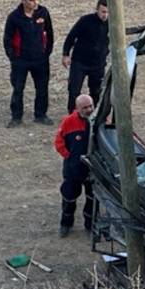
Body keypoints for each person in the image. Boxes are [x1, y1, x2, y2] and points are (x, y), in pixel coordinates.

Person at [2, 0, 55, 127]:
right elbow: (7, 39)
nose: (35, 3)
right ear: (23, 0)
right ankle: (16, 117)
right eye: (31, 0)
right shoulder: (14, 17)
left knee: (42, 88)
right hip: (21, 60)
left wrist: (47, 52)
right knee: (18, 88)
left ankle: (40, 115)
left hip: (40, 59)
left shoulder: (43, 13)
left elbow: (49, 33)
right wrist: (13, 58)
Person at [55, 94, 96, 237]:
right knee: (69, 197)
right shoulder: (68, 122)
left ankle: (90, 226)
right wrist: (69, 157)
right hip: (73, 170)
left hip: (93, 170)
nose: (89, 110)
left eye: (91, 106)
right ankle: (66, 224)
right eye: (85, 107)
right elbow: (59, 143)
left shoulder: (99, 120)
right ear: (77, 108)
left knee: (92, 199)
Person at [62, 0, 109, 112]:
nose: (105, 15)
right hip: (80, 62)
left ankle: (94, 115)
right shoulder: (85, 21)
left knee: (96, 91)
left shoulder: (113, 23)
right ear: (96, 9)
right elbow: (71, 37)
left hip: (98, 64)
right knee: (74, 90)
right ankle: (72, 116)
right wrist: (66, 54)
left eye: (108, 12)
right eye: (103, 12)